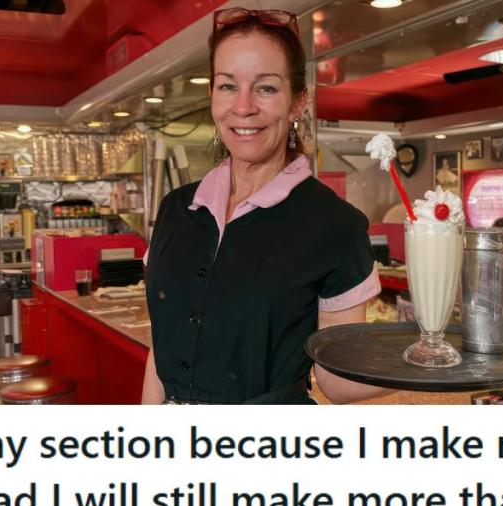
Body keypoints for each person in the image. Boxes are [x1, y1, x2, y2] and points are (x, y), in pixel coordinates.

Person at [141, 8, 387, 405]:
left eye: (266, 88)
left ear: (296, 103)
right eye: (226, 86)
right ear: (211, 96)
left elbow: (336, 380)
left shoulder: (336, 226)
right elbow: (160, 347)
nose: (243, 107)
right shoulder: (175, 211)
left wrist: (429, 363)